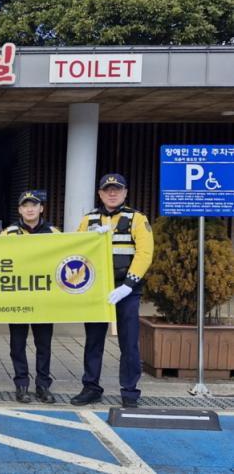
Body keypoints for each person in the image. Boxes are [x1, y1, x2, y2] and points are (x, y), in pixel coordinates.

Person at [71, 174, 154, 408]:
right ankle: (91, 388)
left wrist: (128, 284)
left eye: (117, 189)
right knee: (93, 341)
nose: (112, 193)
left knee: (129, 342)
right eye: (107, 190)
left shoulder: (137, 219)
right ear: (100, 193)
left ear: (125, 192)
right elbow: (75, 250)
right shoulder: (88, 220)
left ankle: (130, 391)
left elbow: (145, 253)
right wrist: (89, 239)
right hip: (97, 290)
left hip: (126, 290)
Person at [0, 191, 59, 404]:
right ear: (19, 210)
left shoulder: (54, 233)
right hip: (18, 297)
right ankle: (21, 384)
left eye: (34, 205)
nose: (30, 209)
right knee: (17, 344)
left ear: (41, 208)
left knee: (44, 345)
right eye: (25, 205)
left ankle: (43, 385)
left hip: (44, 298)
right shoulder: (8, 233)